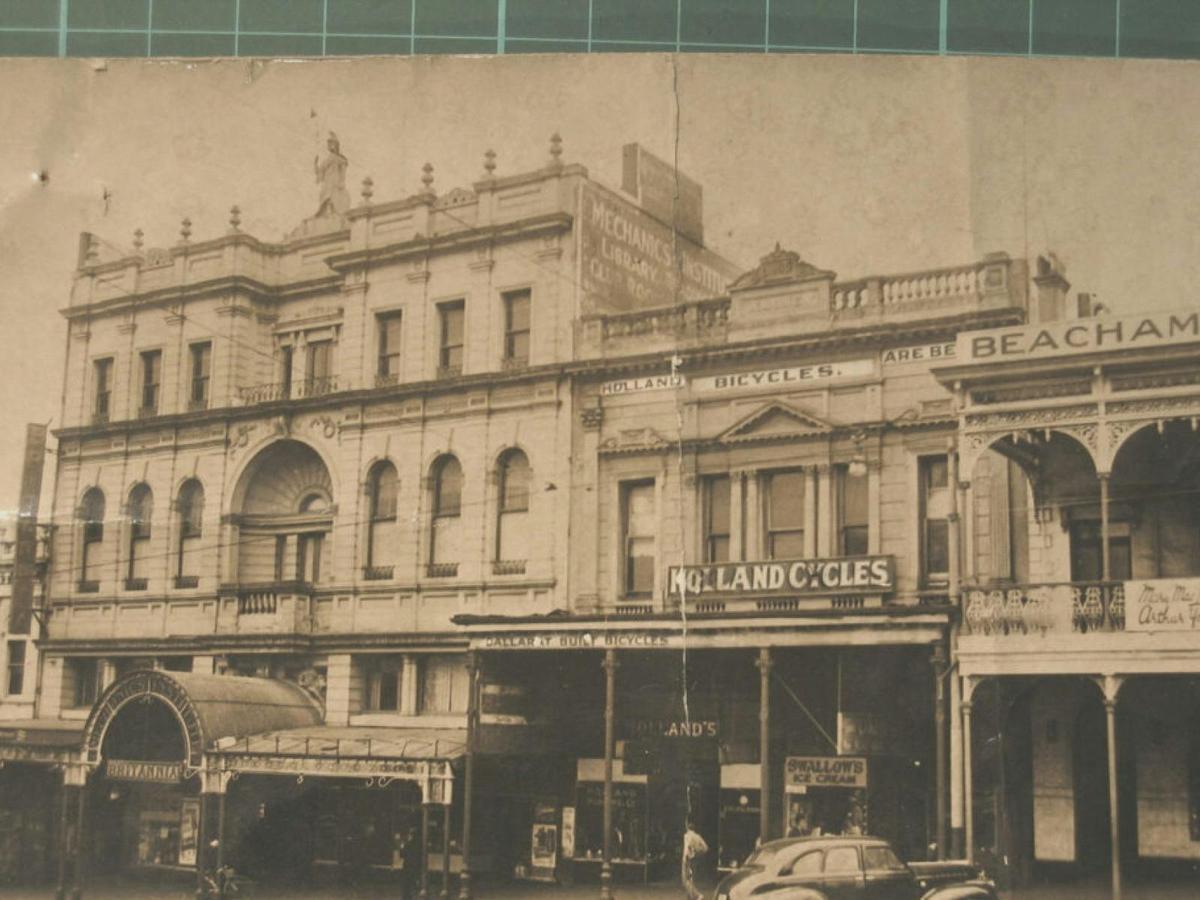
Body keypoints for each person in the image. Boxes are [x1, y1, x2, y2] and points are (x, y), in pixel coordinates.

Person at [313, 132, 350, 219]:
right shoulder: (326, 160)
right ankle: (326, 211)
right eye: (328, 144)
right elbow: (320, 173)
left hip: (335, 180)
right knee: (324, 194)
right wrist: (315, 164)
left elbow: (343, 171)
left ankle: (333, 210)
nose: (329, 146)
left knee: (333, 194)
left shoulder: (340, 159)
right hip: (327, 181)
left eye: (331, 143)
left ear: (336, 145)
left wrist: (342, 181)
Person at [681, 819, 708, 900]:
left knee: (685, 879)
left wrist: (686, 857)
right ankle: (690, 896)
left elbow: (687, 847)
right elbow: (705, 848)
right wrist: (698, 851)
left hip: (687, 859)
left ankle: (697, 895)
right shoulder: (698, 836)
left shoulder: (687, 836)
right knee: (691, 878)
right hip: (695, 859)